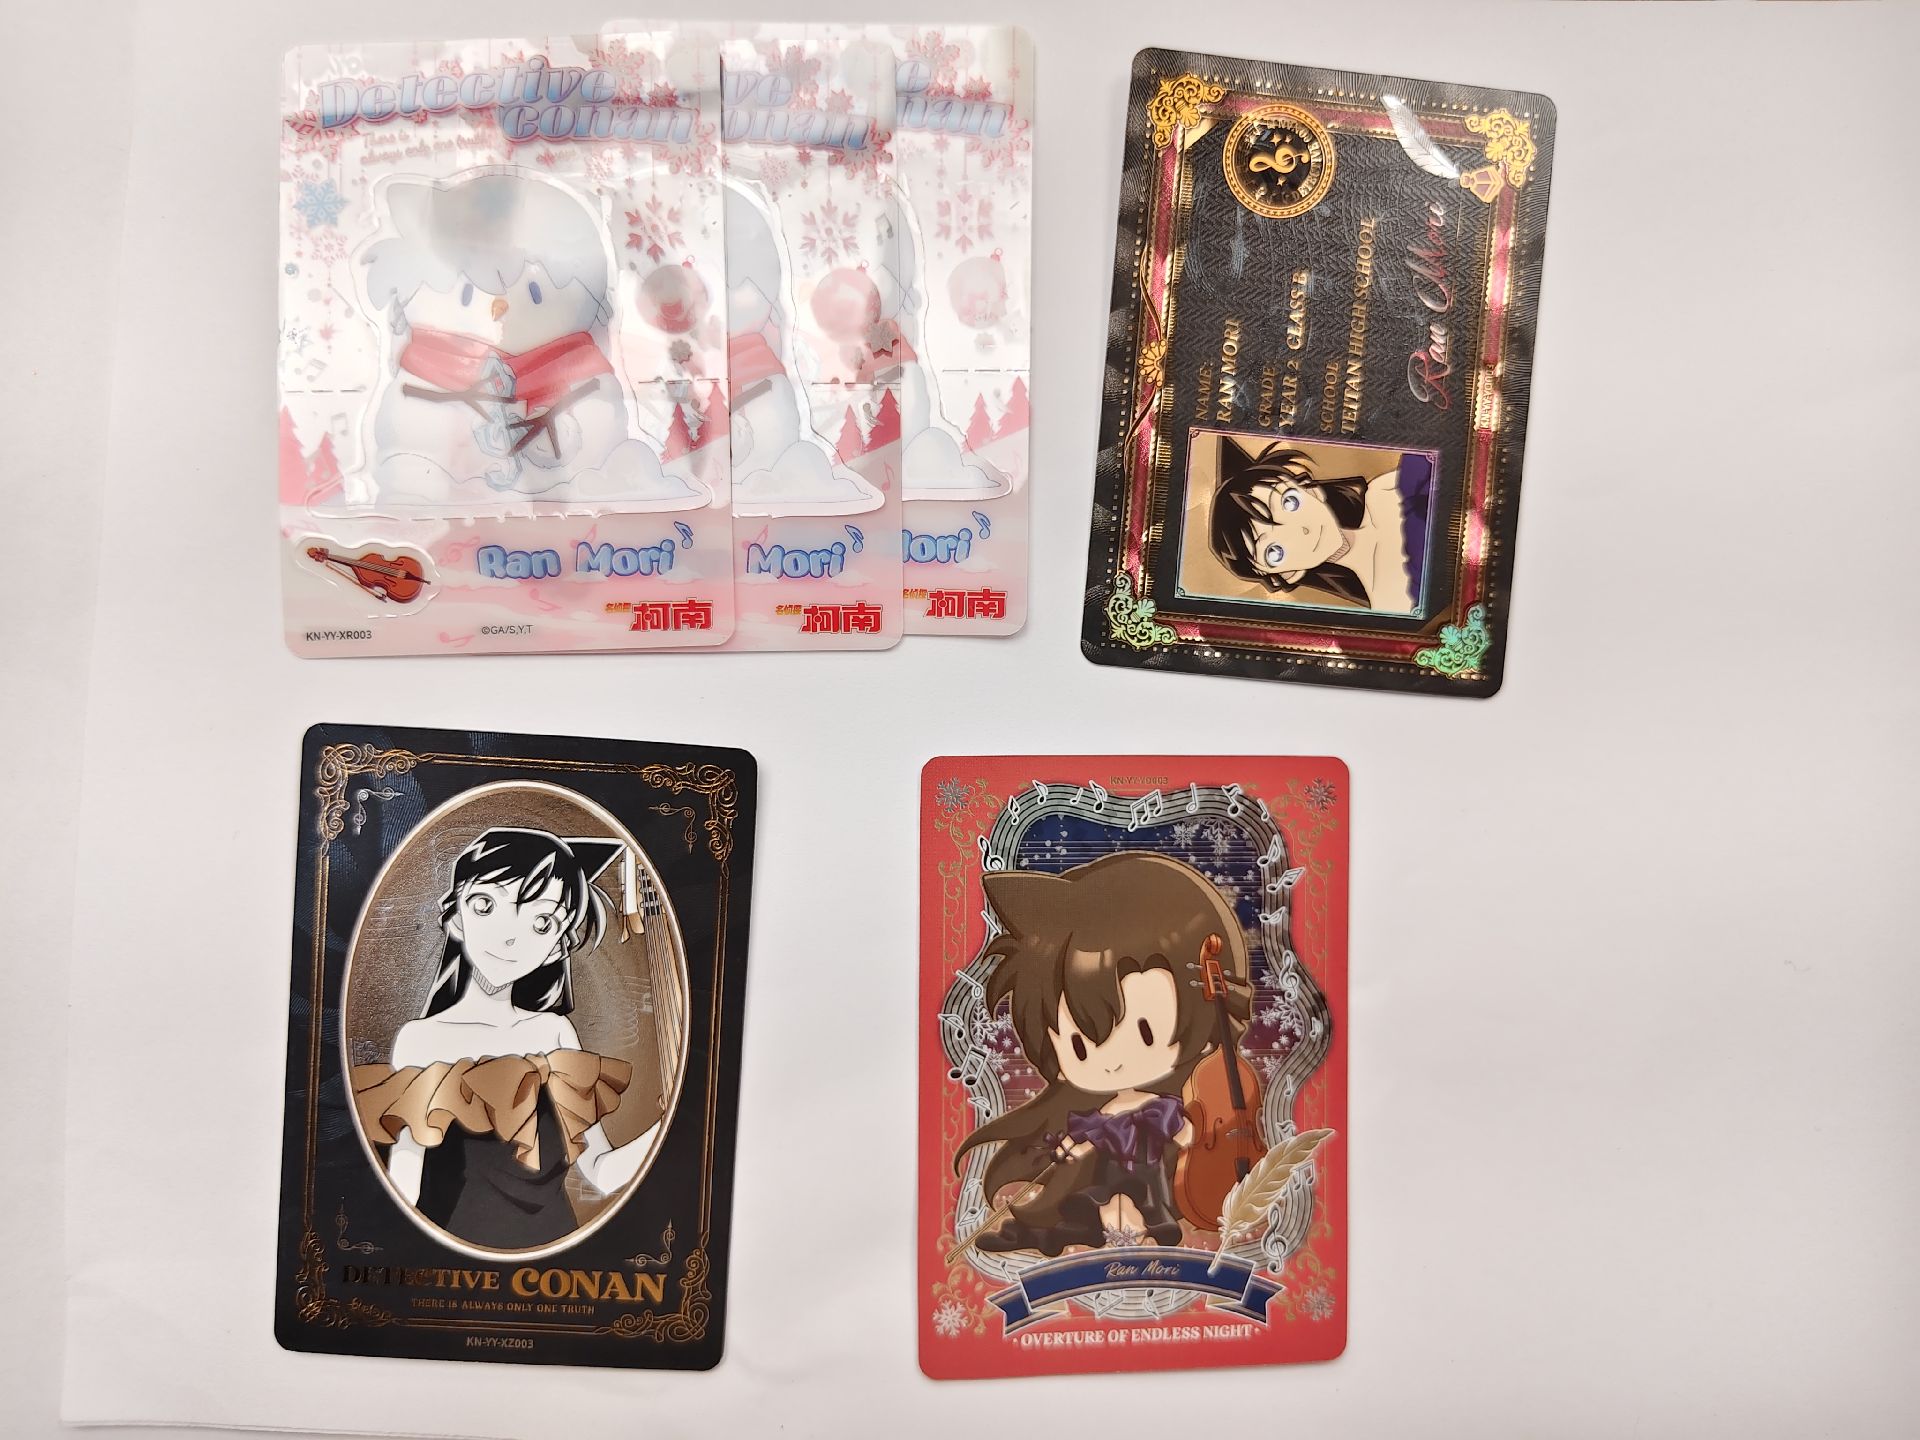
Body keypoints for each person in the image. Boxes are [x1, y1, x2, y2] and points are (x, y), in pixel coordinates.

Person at [352, 827, 660, 1250]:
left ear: (557, 948)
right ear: (455, 918)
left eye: (541, 922)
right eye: (486, 905)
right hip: (451, 1247)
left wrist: (668, 1125)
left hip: (550, 1249)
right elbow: (406, 1177)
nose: (510, 936)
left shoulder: (553, 1032)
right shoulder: (422, 1039)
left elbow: (602, 1172)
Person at [956, 853, 1252, 1255]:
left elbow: (1181, 1132)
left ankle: (1145, 1230)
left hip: (1150, 1177)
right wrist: (1071, 1149)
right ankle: (1092, 1233)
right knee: (1099, 1201)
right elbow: (1091, 1139)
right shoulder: (1106, 1110)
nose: (1112, 1062)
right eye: (1079, 1047)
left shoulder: (1159, 1107)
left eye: (1145, 1032)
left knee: (1145, 1200)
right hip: (1111, 1177)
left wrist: (1194, 1143)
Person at [1207, 440, 1431, 613]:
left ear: (1311, 490)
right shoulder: (1393, 603)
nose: (1302, 531)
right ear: (1288, 575)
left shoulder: (1385, 493)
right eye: (1275, 552)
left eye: (1289, 502)